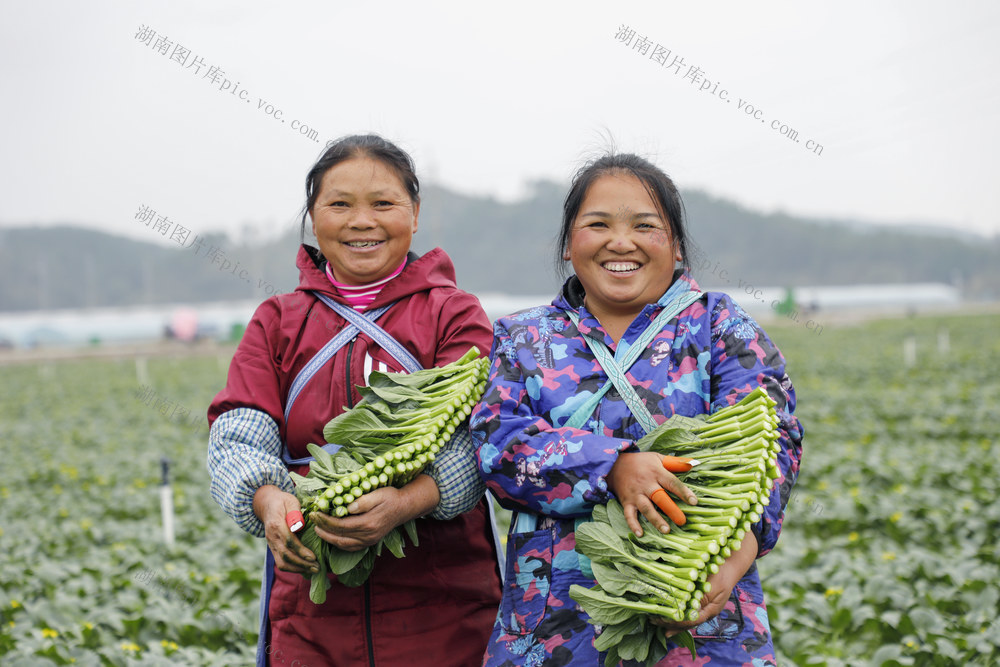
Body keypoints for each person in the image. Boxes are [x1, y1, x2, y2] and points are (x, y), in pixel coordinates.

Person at [470, 153, 804, 666]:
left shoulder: (720, 328)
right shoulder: (523, 337)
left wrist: (733, 559)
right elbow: (498, 444)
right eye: (598, 224)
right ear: (567, 244)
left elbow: (772, 443)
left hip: (703, 627)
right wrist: (613, 468)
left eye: (644, 226)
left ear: (674, 245)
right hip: (552, 631)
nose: (620, 242)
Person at [207, 134, 502, 666]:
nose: (361, 221)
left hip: (446, 606)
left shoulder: (454, 314)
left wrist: (409, 501)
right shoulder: (276, 323)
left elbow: (480, 438)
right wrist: (270, 501)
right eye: (339, 204)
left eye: (383, 204)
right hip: (310, 612)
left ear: (414, 215)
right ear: (313, 218)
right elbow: (237, 438)